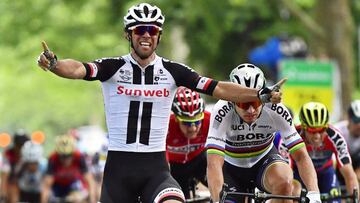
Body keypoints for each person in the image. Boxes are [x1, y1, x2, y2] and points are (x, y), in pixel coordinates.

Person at [36, 3, 285, 202]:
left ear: (159, 35)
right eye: (139, 30)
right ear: (128, 34)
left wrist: (258, 94)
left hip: (155, 167)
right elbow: (79, 69)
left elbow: (218, 87)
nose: (146, 35)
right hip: (118, 170)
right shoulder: (112, 67)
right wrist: (55, 64)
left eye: (152, 30)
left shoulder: (173, 71)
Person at [205, 63, 320, 203]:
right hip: (231, 168)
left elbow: (301, 156)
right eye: (244, 104)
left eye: (255, 103)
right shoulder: (221, 111)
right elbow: (214, 163)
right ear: (232, 100)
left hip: (264, 161)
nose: (251, 111)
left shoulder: (276, 110)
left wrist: (314, 194)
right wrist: (217, 200)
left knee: (284, 183)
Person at [294, 102, 359, 202]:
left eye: (321, 130)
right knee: (294, 192)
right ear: (303, 127)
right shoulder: (293, 136)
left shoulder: (335, 137)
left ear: (327, 127)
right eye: (312, 131)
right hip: (299, 173)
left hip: (325, 172)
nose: (317, 137)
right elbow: (286, 171)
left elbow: (349, 175)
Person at [166, 87, 209, 199]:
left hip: (199, 160)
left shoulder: (210, 120)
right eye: (186, 123)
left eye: (197, 122)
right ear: (176, 118)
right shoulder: (167, 124)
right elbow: (161, 159)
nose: (193, 128)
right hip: (176, 166)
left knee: (223, 188)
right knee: (180, 198)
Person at [41, 134, 96, 203]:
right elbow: (47, 186)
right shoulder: (53, 158)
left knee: (77, 199)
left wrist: (92, 200)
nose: (66, 159)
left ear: (73, 153)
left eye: (69, 155)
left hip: (73, 184)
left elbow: (90, 181)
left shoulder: (79, 156)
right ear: (58, 154)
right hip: (57, 185)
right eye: (62, 156)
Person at [0, 129, 29, 203]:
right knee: (12, 189)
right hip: (9, 184)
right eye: (19, 145)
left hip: (23, 185)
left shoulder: (28, 155)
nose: (20, 148)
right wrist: (3, 195)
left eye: (23, 145)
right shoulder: (8, 155)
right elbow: (4, 176)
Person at [334, 100, 360, 181]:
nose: (359, 125)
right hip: (337, 168)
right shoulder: (337, 130)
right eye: (356, 120)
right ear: (348, 118)